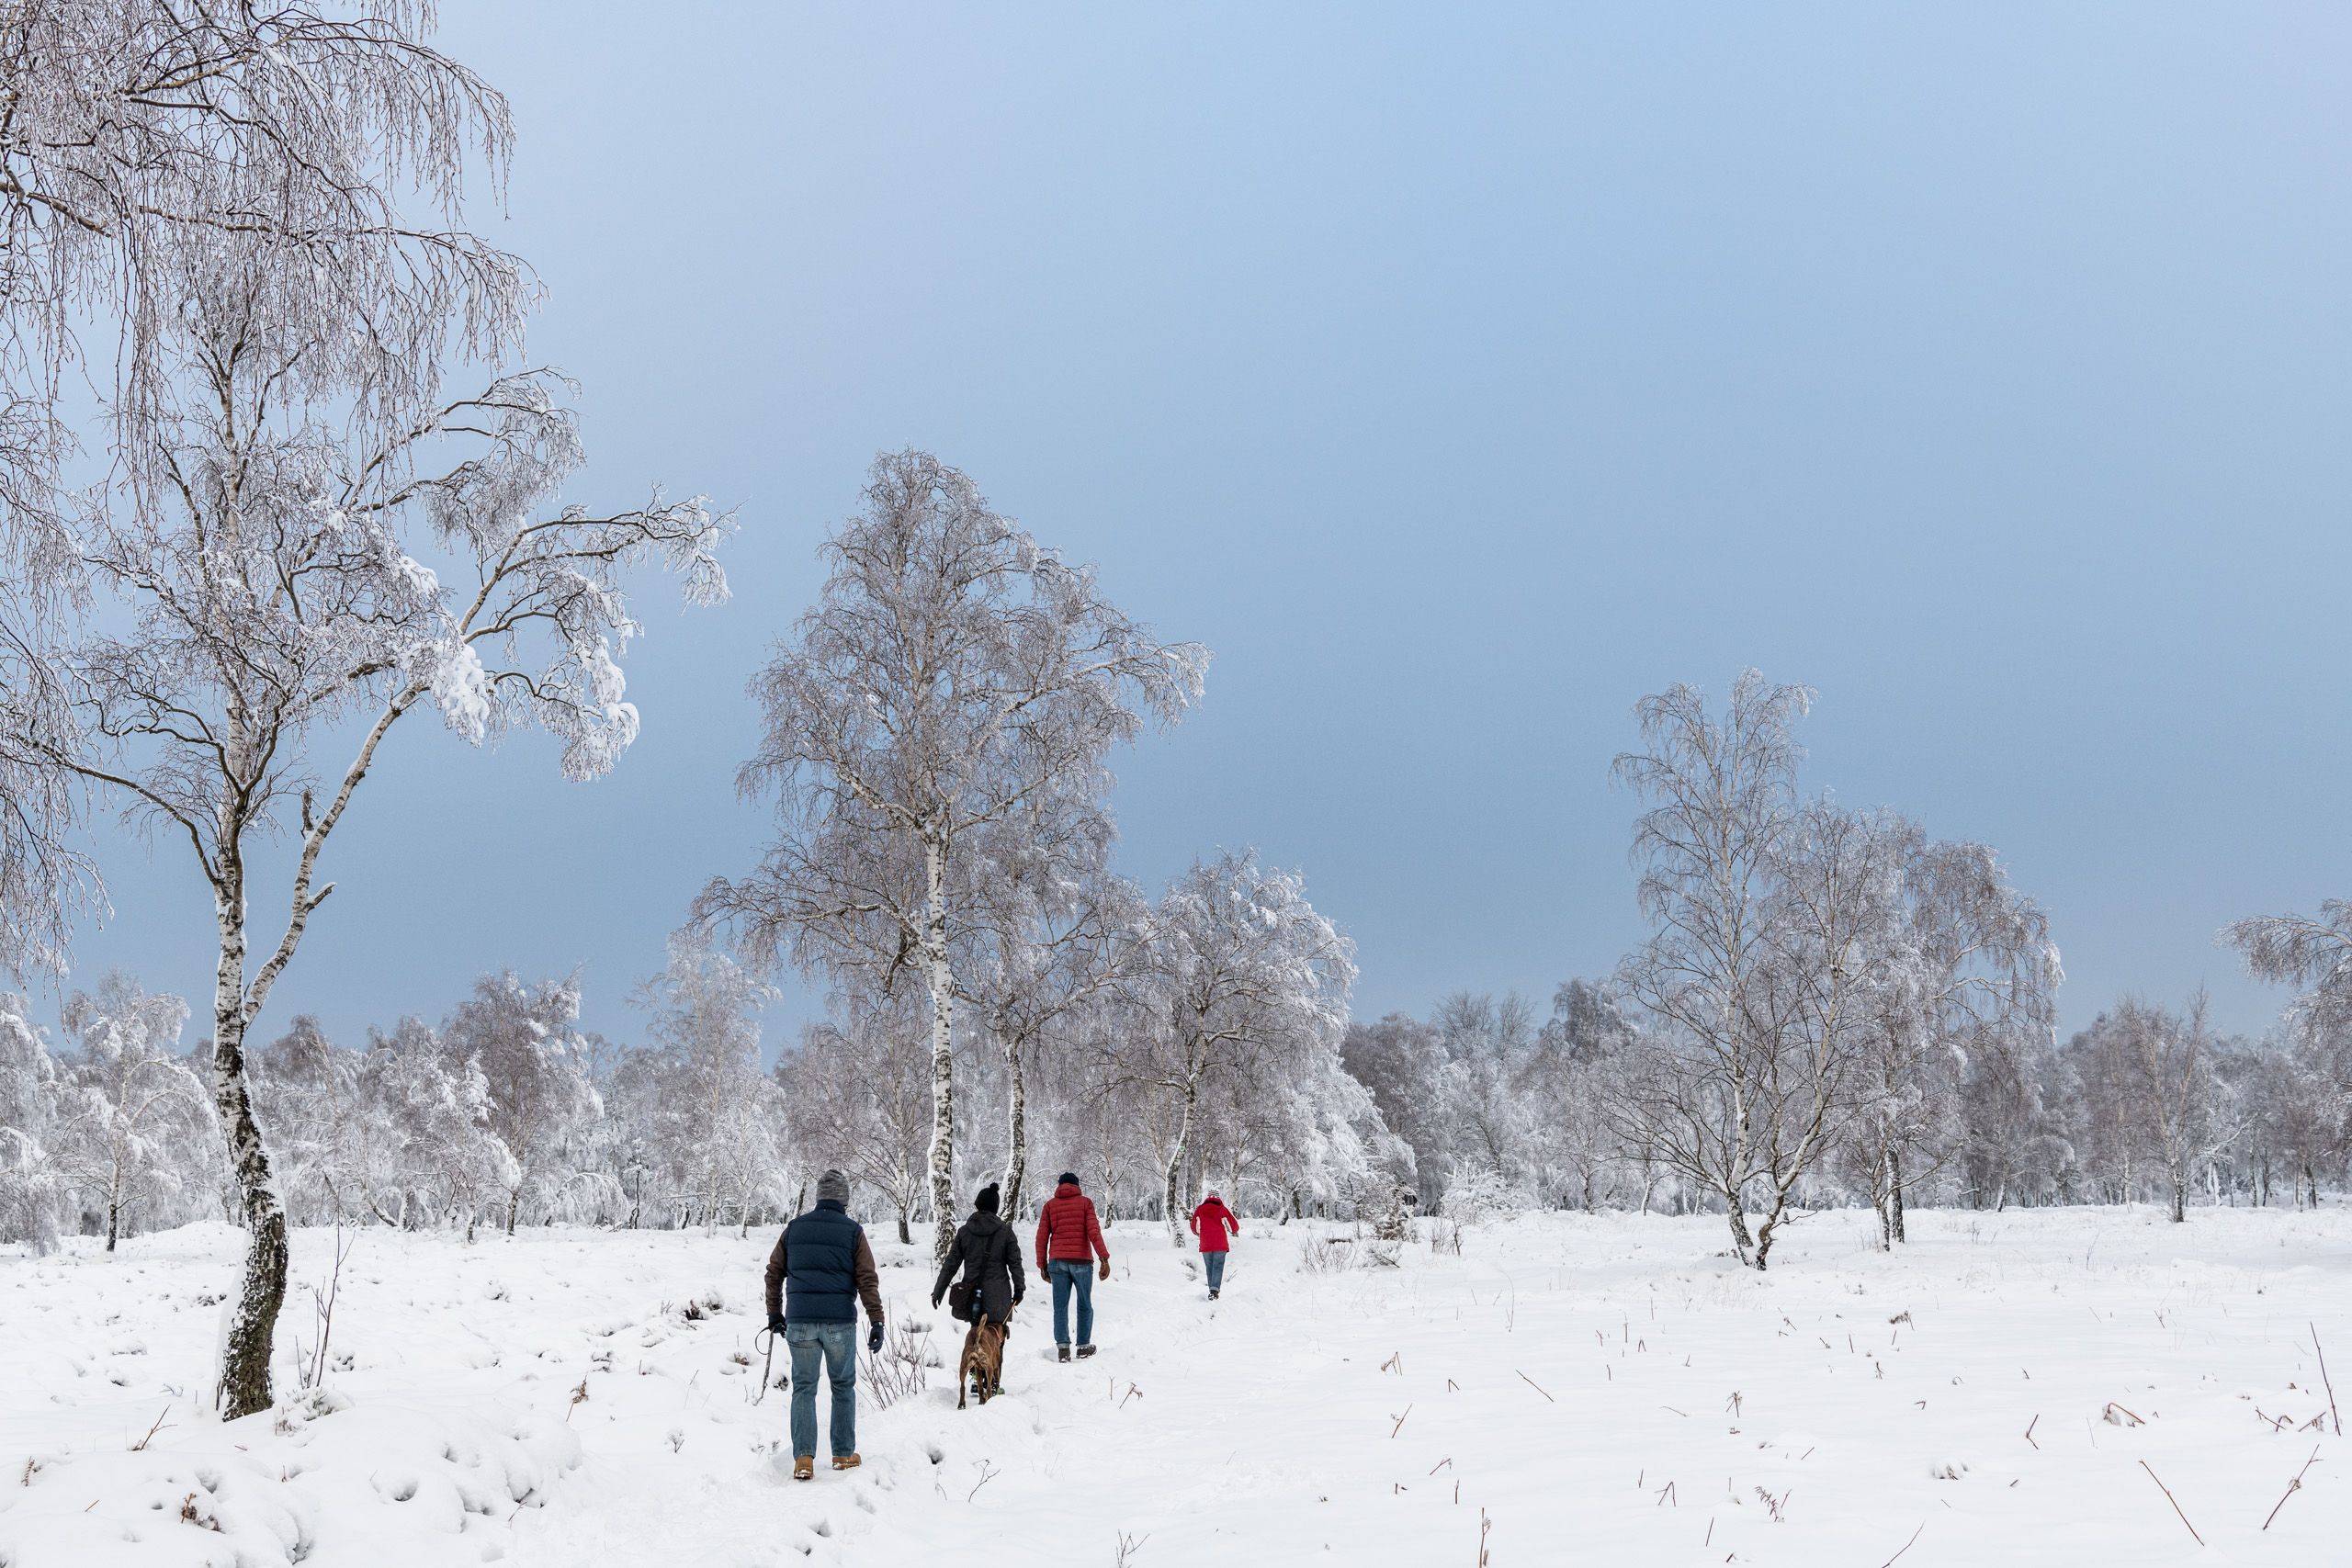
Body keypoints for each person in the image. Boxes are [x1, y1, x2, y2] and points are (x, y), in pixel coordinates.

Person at [764, 1168, 886, 1481]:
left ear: (819, 1198)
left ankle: (804, 1459)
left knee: (804, 1388)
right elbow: (867, 1279)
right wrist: (876, 1319)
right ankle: (843, 1454)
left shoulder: (794, 1229)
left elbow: (774, 1273)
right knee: (842, 1386)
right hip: (839, 1323)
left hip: (800, 1322)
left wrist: (774, 1314)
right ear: (844, 1200)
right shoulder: (853, 1232)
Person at [1034, 1169, 1111, 1361]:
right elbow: (1094, 1232)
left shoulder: (1050, 1206)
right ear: (1077, 1186)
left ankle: (1063, 1349)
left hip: (1057, 1263)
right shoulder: (1085, 1203)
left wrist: (1042, 1265)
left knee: (1060, 1307)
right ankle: (1083, 1346)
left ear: (1059, 1186)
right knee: (1084, 1303)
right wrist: (1104, 1258)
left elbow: (1041, 1237)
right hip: (1081, 1262)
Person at [933, 1181, 1027, 1325]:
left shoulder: (964, 1232)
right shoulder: (1006, 1232)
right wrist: (1019, 1289)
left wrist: (938, 1291)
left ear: (977, 1206)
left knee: (976, 1335)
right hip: (999, 1298)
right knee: (995, 1337)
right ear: (995, 1209)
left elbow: (950, 1265)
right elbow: (1015, 1264)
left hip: (972, 1297)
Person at [1190, 1190, 1240, 1298]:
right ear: (1218, 1198)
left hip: (1206, 1244)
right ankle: (1214, 1291)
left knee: (1209, 1267)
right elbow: (1234, 1227)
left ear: (1207, 1198)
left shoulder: (1199, 1210)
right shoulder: (1222, 1210)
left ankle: (1212, 1291)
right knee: (1217, 1267)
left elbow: (1194, 1229)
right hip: (1220, 1244)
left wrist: (1202, 1232)